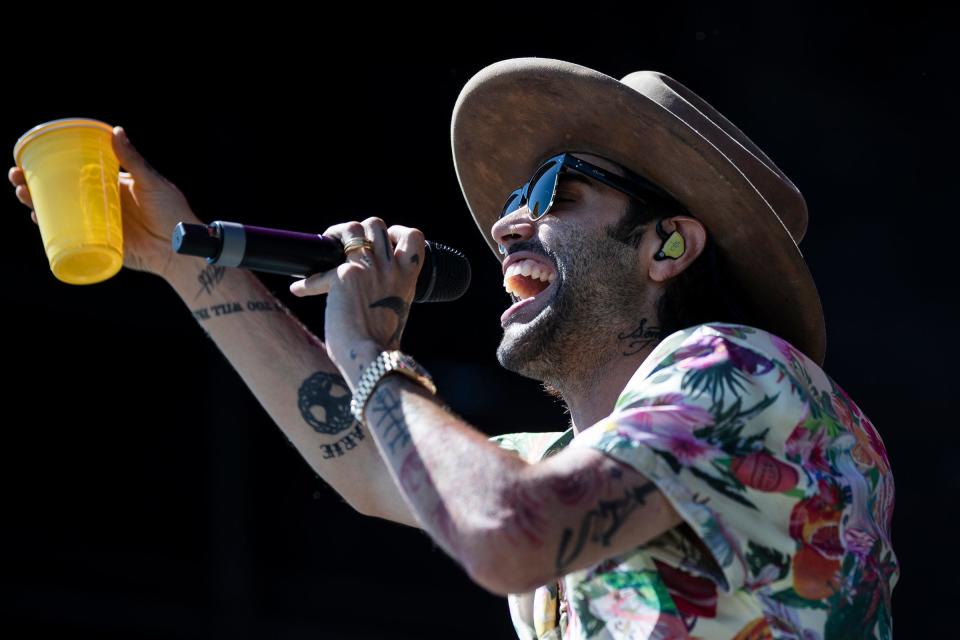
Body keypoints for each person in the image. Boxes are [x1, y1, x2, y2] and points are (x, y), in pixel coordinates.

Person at [9, 58, 899, 639]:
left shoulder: (740, 368)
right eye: (517, 191)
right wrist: (178, 255)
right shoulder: (559, 461)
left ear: (667, 246)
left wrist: (371, 358)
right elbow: (367, 463)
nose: (510, 219)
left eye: (555, 190)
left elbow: (510, 534)